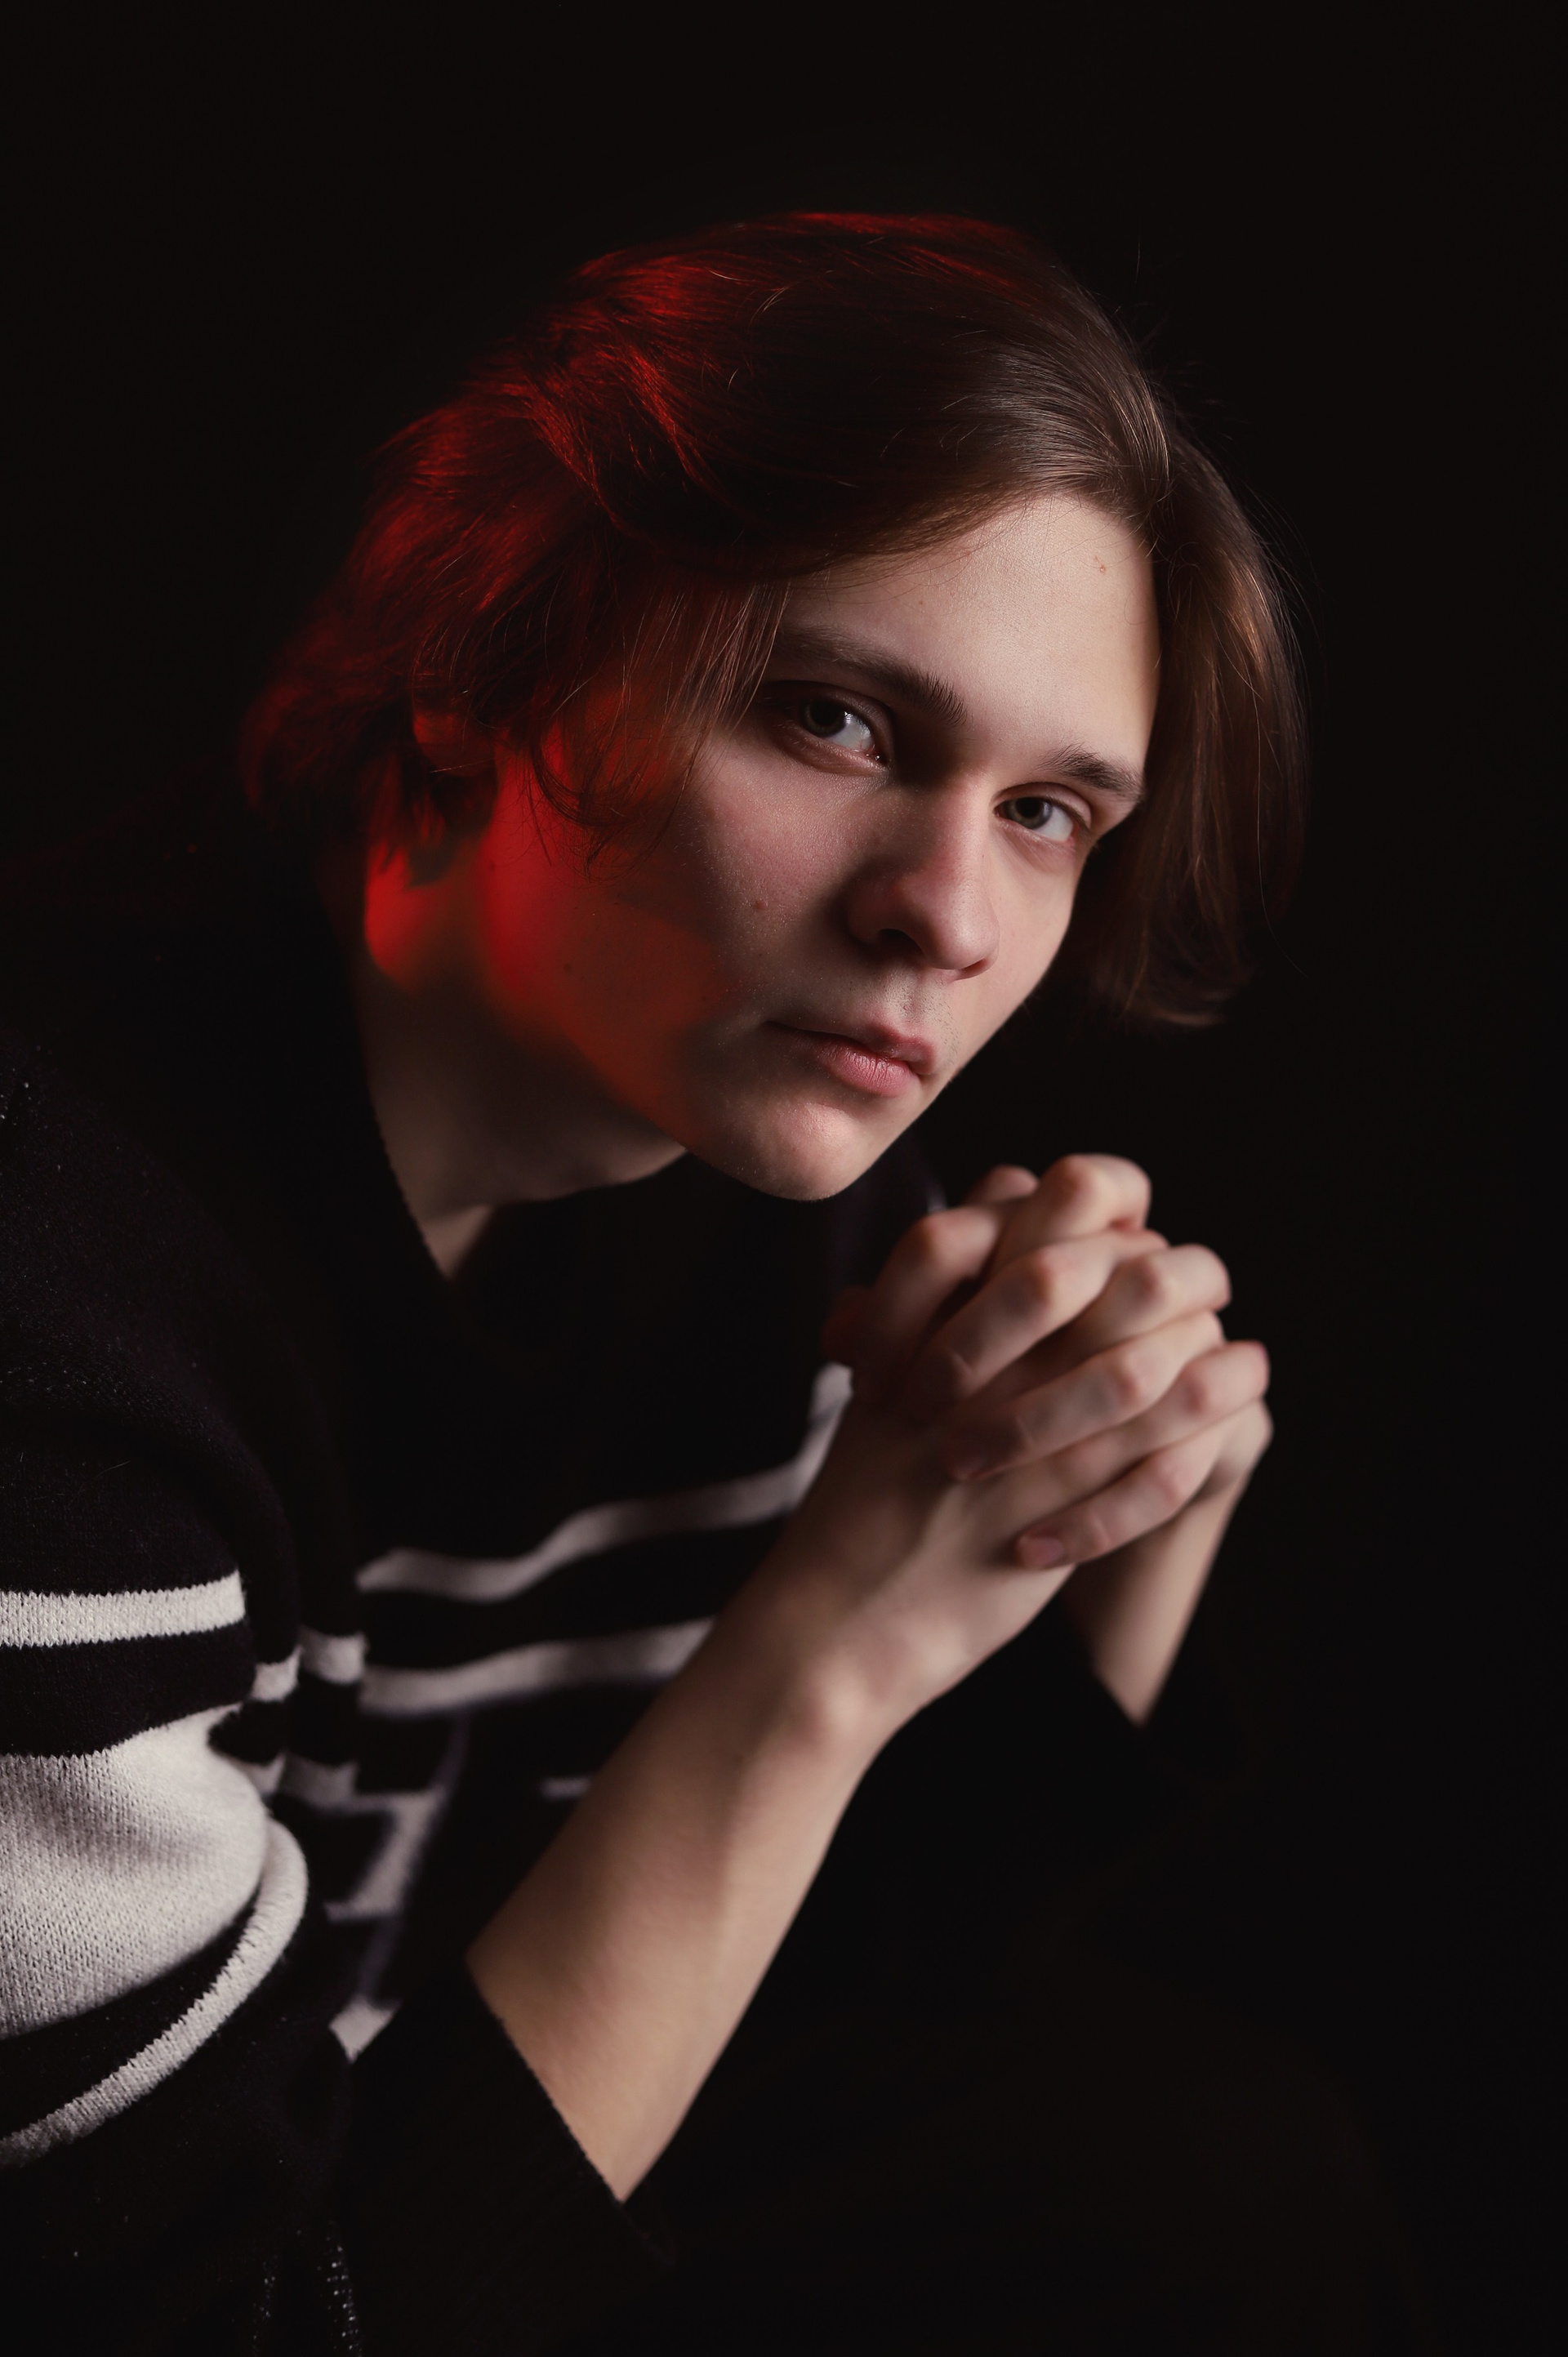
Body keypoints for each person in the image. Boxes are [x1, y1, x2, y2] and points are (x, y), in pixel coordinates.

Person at [1, 215, 1422, 2352]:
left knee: (1219, 2176)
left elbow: (848, 2009)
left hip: (438, 2187)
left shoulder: (762, 1164)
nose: (949, 918)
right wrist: (834, 1636)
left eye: (1051, 812)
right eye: (834, 719)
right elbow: (262, 2317)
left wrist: (1108, 1488)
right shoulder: (60, 1315)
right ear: (481, 662)